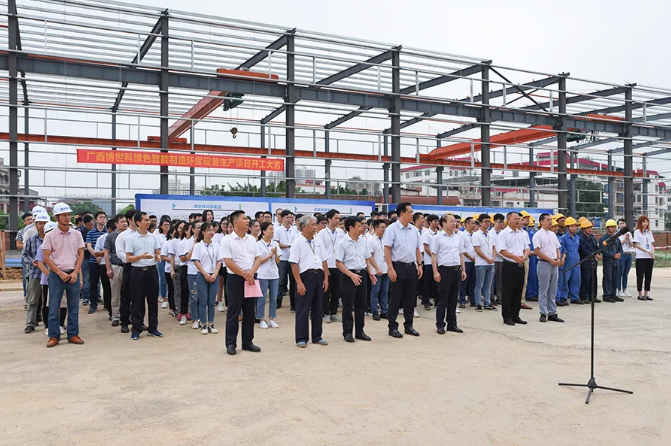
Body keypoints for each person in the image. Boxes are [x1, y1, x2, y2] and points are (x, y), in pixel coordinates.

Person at [42, 202, 86, 348]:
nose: (67, 217)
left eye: (68, 214)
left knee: (74, 306)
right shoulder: (50, 235)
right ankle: (53, 336)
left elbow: (81, 254)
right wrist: (60, 273)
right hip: (56, 275)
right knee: (54, 306)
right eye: (64, 215)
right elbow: (46, 257)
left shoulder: (77, 234)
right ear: (56, 217)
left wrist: (75, 272)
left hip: (73, 273)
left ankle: (73, 334)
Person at [220, 210, 262, 355]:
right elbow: (228, 262)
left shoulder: (251, 239)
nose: (247, 221)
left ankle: (248, 342)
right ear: (236, 222)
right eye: (244, 218)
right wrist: (245, 274)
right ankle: (231, 343)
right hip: (236, 279)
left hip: (251, 278)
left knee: (250, 312)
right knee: (234, 311)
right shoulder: (227, 240)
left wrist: (251, 273)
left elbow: (258, 258)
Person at [335, 217, 378, 343]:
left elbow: (367, 259)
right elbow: (338, 263)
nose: (362, 228)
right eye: (359, 226)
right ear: (351, 227)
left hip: (362, 274)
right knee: (348, 306)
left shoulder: (362, 241)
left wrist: (370, 272)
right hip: (349, 276)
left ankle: (360, 331)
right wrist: (351, 275)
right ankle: (347, 332)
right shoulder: (343, 243)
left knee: (361, 305)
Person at [383, 202, 422, 338]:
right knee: (395, 297)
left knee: (410, 298)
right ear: (402, 213)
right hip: (397, 266)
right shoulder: (392, 229)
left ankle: (409, 325)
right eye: (410, 212)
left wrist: (420, 264)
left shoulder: (414, 230)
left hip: (411, 267)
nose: (412, 214)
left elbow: (418, 249)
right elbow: (387, 249)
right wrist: (390, 268)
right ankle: (392, 327)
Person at [289, 215, 329, 348]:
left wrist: (326, 278)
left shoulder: (318, 241)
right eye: (313, 225)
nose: (315, 227)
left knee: (318, 307)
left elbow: (324, 261)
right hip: (305, 276)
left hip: (318, 275)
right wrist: (299, 282)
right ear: (304, 226)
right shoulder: (297, 242)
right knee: (303, 308)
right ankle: (301, 337)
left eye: (316, 225)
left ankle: (317, 336)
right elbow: (294, 264)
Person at [125, 211, 163, 340]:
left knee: (153, 301)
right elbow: (128, 258)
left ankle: (153, 328)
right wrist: (141, 257)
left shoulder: (153, 237)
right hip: (137, 272)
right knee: (137, 301)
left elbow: (158, 251)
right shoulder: (131, 238)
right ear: (138, 222)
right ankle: (136, 329)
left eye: (149, 220)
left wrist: (158, 256)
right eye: (145, 220)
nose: (148, 222)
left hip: (152, 271)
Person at [431, 214, 466, 334]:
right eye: (451, 221)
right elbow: (434, 255)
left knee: (453, 298)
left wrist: (463, 270)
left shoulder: (457, 237)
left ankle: (452, 324)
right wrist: (435, 271)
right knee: (443, 298)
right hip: (444, 270)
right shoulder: (437, 237)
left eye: (455, 222)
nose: (454, 224)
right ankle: (440, 324)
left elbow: (461, 254)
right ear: (444, 223)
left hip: (456, 270)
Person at [496, 211, 530, 326]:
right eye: (515, 219)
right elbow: (502, 250)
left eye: (519, 219)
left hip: (520, 265)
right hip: (509, 265)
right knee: (507, 292)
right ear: (508, 220)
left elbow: (527, 247)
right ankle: (507, 316)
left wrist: (525, 256)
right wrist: (516, 258)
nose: (518, 221)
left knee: (518, 291)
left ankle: (515, 315)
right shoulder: (503, 234)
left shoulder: (522, 233)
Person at [533, 214, 564, 323]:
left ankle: (552, 312)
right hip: (544, 263)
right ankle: (543, 312)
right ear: (541, 222)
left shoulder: (552, 234)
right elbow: (537, 251)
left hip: (554, 263)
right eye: (548, 220)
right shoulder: (538, 235)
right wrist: (550, 260)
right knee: (543, 290)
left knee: (552, 289)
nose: (550, 222)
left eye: (551, 220)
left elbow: (557, 248)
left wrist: (558, 258)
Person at [315, 209, 345, 324]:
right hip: (326, 265)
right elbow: (320, 252)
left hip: (338, 265)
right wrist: (324, 268)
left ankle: (334, 312)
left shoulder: (340, 232)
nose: (338, 220)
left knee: (336, 291)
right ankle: (325, 313)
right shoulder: (322, 233)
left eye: (338, 218)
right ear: (329, 219)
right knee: (326, 290)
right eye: (335, 218)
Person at [22, 211, 50, 333]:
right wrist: (31, 261)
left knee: (48, 301)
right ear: (36, 224)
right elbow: (25, 254)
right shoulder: (31, 239)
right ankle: (30, 323)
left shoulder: (52, 239)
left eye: (44, 223)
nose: (42, 226)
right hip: (35, 273)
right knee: (33, 300)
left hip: (50, 274)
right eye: (40, 223)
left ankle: (51, 323)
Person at [191, 222, 221, 335]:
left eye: (212, 230)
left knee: (211, 301)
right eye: (209, 230)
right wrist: (205, 274)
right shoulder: (198, 246)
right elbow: (196, 261)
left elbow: (219, 261)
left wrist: (215, 274)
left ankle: (211, 323)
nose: (211, 232)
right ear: (203, 232)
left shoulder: (217, 245)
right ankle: (203, 324)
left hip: (214, 275)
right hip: (202, 276)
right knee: (203, 301)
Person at [115, 209, 139, 334]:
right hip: (129, 266)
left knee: (139, 297)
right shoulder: (123, 236)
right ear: (130, 220)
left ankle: (138, 322)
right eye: (136, 217)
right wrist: (131, 259)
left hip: (141, 266)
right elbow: (120, 253)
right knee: (126, 296)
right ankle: (124, 322)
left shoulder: (143, 234)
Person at [104, 214, 127, 327]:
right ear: (116, 224)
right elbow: (106, 253)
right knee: (115, 293)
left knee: (128, 293)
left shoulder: (130, 235)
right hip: (116, 266)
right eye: (122, 221)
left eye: (126, 221)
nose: (125, 223)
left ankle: (127, 315)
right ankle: (116, 316)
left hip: (128, 266)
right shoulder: (111, 236)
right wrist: (108, 268)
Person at [256, 222, 280, 329]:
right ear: (264, 231)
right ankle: (261, 319)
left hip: (274, 274)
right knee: (262, 298)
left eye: (273, 230)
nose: (272, 231)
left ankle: (272, 319)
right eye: (270, 229)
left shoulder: (275, 244)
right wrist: (270, 255)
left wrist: (275, 253)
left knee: (273, 298)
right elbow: (258, 261)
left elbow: (278, 261)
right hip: (263, 274)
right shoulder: (258, 244)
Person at [180, 221, 202, 329]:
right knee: (194, 297)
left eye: (201, 227)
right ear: (192, 229)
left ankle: (202, 319)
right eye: (198, 227)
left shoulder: (206, 241)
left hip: (204, 272)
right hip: (192, 272)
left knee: (203, 297)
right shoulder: (188, 242)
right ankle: (195, 319)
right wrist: (195, 244)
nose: (200, 229)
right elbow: (187, 258)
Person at [472, 213, 496, 311]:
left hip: (491, 263)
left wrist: (493, 257)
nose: (487, 223)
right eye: (485, 221)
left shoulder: (491, 234)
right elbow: (477, 249)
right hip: (481, 263)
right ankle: (478, 303)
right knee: (479, 284)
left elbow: (494, 247)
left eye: (489, 221)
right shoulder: (476, 235)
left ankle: (487, 302)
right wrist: (487, 259)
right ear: (480, 222)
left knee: (488, 285)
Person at [275, 209, 298, 311]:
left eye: (291, 217)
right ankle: (278, 301)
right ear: (282, 218)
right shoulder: (278, 230)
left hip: (293, 259)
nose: (289, 219)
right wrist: (288, 246)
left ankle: (293, 304)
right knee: (281, 281)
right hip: (283, 258)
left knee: (293, 282)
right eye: (287, 217)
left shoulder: (295, 230)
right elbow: (276, 243)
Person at [85, 211, 107, 314]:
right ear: (96, 219)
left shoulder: (107, 232)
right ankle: (93, 304)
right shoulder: (91, 232)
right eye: (100, 217)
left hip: (105, 262)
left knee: (106, 284)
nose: (103, 219)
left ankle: (107, 304)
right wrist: (96, 256)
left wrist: (102, 256)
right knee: (93, 283)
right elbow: (89, 246)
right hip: (93, 262)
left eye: (104, 217)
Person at [368, 219, 389, 321]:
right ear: (376, 228)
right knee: (375, 292)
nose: (384, 229)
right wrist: (376, 268)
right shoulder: (371, 240)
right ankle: (374, 311)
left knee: (385, 291)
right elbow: (369, 256)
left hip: (386, 270)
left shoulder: (386, 239)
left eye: (385, 227)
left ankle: (384, 311)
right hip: (376, 271)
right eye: (382, 227)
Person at [599, 220, 624, 303]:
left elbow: (620, 248)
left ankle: (613, 294)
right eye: (611, 227)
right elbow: (603, 250)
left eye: (614, 227)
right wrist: (613, 255)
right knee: (608, 278)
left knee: (615, 279)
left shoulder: (617, 239)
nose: (613, 229)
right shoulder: (603, 239)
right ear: (607, 228)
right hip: (608, 262)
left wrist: (619, 253)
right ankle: (606, 295)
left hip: (616, 262)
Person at [93, 220, 114, 319]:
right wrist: (107, 250)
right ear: (108, 229)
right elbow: (96, 253)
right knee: (107, 289)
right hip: (104, 265)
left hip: (117, 265)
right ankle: (110, 311)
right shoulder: (102, 238)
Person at [558, 217, 580, 306]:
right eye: (572, 226)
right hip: (567, 263)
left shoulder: (577, 238)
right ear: (567, 227)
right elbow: (562, 250)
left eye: (575, 226)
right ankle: (563, 297)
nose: (574, 228)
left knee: (576, 280)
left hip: (576, 262)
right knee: (564, 281)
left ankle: (575, 297)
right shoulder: (563, 238)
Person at [578, 219, 601, 304]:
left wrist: (598, 253)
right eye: (588, 228)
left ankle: (593, 296)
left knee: (593, 279)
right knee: (585, 280)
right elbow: (583, 250)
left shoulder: (592, 237)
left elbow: (596, 247)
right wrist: (594, 255)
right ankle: (584, 296)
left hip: (593, 262)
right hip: (585, 262)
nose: (590, 229)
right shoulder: (581, 239)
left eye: (591, 228)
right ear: (583, 229)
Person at [633, 215, 655, 301]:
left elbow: (652, 244)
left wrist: (652, 252)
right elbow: (637, 245)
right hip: (640, 256)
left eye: (646, 221)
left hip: (649, 257)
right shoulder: (637, 232)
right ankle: (640, 294)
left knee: (648, 275)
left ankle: (646, 293)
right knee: (640, 275)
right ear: (640, 223)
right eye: (643, 222)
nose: (645, 223)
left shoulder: (649, 232)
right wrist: (646, 251)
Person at [420, 214, 439, 311]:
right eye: (435, 221)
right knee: (427, 283)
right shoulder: (426, 233)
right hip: (428, 262)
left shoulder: (439, 233)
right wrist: (433, 256)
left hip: (438, 262)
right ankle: (426, 301)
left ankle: (436, 300)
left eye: (437, 221)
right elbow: (426, 247)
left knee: (437, 283)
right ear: (430, 222)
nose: (437, 223)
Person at [159, 221, 177, 317]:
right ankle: (172, 308)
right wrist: (173, 260)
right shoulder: (167, 243)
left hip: (179, 269)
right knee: (171, 289)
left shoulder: (180, 242)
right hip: (169, 269)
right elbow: (163, 257)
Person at [458, 217, 476, 308]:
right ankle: (462, 300)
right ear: (467, 224)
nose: (474, 225)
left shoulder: (475, 235)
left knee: (473, 282)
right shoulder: (462, 235)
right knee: (464, 281)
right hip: (466, 261)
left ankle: (472, 300)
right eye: (472, 223)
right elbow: (462, 249)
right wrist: (471, 257)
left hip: (475, 262)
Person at [176, 223, 192, 324]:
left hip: (195, 268)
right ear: (186, 231)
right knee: (184, 292)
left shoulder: (198, 242)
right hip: (185, 268)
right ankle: (183, 314)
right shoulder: (182, 243)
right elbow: (182, 258)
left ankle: (193, 313)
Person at [16, 211, 34, 303]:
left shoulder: (36, 230)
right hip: (26, 257)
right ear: (24, 221)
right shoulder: (21, 232)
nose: (31, 221)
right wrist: (28, 245)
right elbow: (18, 245)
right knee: (26, 276)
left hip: (36, 256)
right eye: (28, 220)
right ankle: (26, 295)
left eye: (32, 219)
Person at [155, 217, 172, 309]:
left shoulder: (172, 236)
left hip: (172, 260)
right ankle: (164, 299)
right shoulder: (158, 237)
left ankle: (171, 299)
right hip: (163, 260)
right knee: (163, 280)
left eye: (168, 224)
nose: (167, 226)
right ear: (161, 226)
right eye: (165, 224)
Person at [490, 213, 505, 305]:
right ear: (494, 222)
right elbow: (493, 247)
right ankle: (491, 297)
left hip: (503, 260)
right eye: (499, 222)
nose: (500, 224)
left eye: (502, 222)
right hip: (494, 259)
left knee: (501, 280)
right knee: (491, 280)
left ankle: (500, 297)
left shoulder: (503, 233)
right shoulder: (490, 233)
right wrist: (502, 255)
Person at [617, 219, 634, 298]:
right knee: (620, 273)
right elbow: (620, 244)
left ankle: (625, 289)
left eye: (623, 223)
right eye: (620, 223)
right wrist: (625, 239)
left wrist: (629, 239)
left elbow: (631, 245)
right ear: (618, 225)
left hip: (629, 254)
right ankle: (619, 290)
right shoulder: (618, 234)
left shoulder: (629, 233)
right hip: (622, 254)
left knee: (626, 273)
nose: (622, 225)